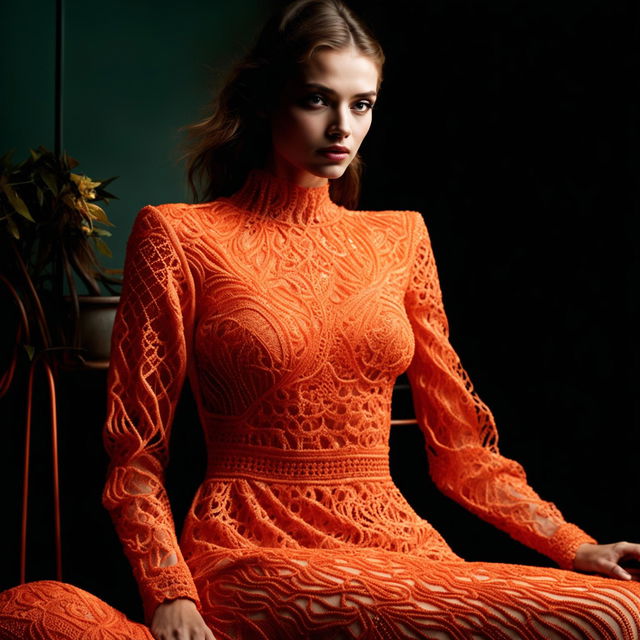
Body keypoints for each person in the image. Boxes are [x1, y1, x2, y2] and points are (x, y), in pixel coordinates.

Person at [1, 1, 639, 638]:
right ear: (263, 101)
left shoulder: (400, 239)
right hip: (251, 551)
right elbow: (136, 454)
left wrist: (576, 547)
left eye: (361, 104)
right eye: (316, 99)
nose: (343, 126)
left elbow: (462, 451)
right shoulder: (179, 236)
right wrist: (169, 589)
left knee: (623, 610)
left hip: (400, 547)